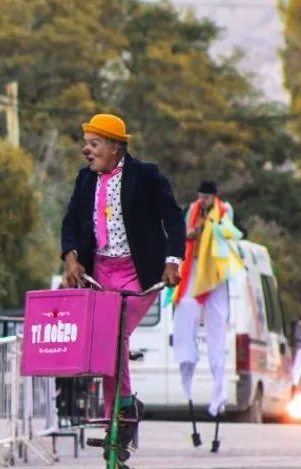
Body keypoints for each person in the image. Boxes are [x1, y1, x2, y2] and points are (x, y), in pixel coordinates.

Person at [61, 113, 184, 447]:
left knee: (115, 335)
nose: (86, 150)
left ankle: (123, 411)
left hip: (138, 271)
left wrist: (172, 262)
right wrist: (71, 257)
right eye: (86, 143)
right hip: (100, 271)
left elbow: (174, 219)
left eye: (94, 144)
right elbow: (70, 222)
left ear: (115, 147)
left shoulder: (146, 175)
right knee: (105, 339)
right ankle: (121, 416)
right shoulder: (85, 180)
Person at [172, 181, 245, 448]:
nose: (203, 200)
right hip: (192, 271)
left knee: (216, 336)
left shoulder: (225, 209)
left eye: (207, 196)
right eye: (200, 195)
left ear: (215, 196)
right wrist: (192, 232)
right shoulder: (191, 210)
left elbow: (236, 233)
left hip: (214, 276)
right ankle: (187, 372)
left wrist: (215, 228)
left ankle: (219, 395)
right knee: (185, 316)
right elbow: (180, 234)